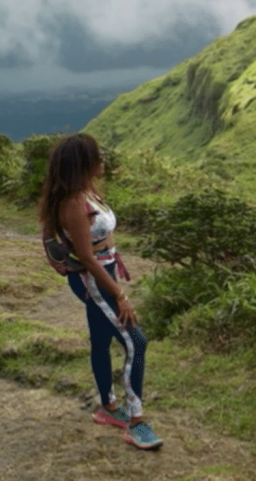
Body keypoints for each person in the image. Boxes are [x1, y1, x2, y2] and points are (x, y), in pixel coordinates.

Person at [38, 133, 162, 450]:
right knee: (136, 341)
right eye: (97, 157)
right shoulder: (74, 204)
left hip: (101, 273)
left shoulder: (85, 193)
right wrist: (119, 295)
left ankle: (108, 407)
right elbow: (88, 258)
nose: (102, 162)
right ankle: (135, 421)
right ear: (83, 164)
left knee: (102, 339)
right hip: (93, 279)